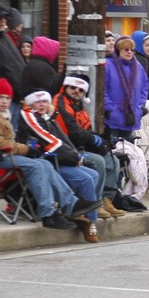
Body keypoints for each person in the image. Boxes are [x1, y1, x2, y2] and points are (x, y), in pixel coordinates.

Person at [0, 78, 100, 232]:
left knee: (44, 164)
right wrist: (25, 149)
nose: (4, 101)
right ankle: (50, 213)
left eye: (7, 98)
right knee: (36, 165)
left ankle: (67, 206)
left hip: (1, 154)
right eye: (0, 97)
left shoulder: (0, 112)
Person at [18, 90, 100, 242]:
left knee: (94, 173)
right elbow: (52, 143)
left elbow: (64, 140)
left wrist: (76, 156)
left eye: (44, 101)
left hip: (59, 159)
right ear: (30, 105)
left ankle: (85, 215)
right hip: (50, 161)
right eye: (37, 102)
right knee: (86, 179)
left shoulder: (49, 118)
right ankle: (88, 222)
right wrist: (74, 157)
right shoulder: (30, 117)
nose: (41, 105)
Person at [53, 76, 124, 219]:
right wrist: (93, 139)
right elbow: (73, 132)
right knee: (98, 161)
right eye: (73, 88)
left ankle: (106, 199)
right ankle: (94, 203)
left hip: (79, 147)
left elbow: (87, 129)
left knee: (113, 161)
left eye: (80, 90)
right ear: (66, 87)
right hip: (67, 151)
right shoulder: (60, 103)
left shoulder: (79, 105)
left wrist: (102, 141)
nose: (76, 91)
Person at [103, 35, 149, 143]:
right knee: (114, 149)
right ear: (118, 50)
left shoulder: (138, 67)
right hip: (113, 117)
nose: (129, 52)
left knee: (129, 153)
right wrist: (109, 108)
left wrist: (140, 106)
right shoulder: (108, 65)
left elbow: (144, 87)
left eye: (132, 50)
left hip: (131, 115)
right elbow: (103, 89)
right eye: (126, 49)